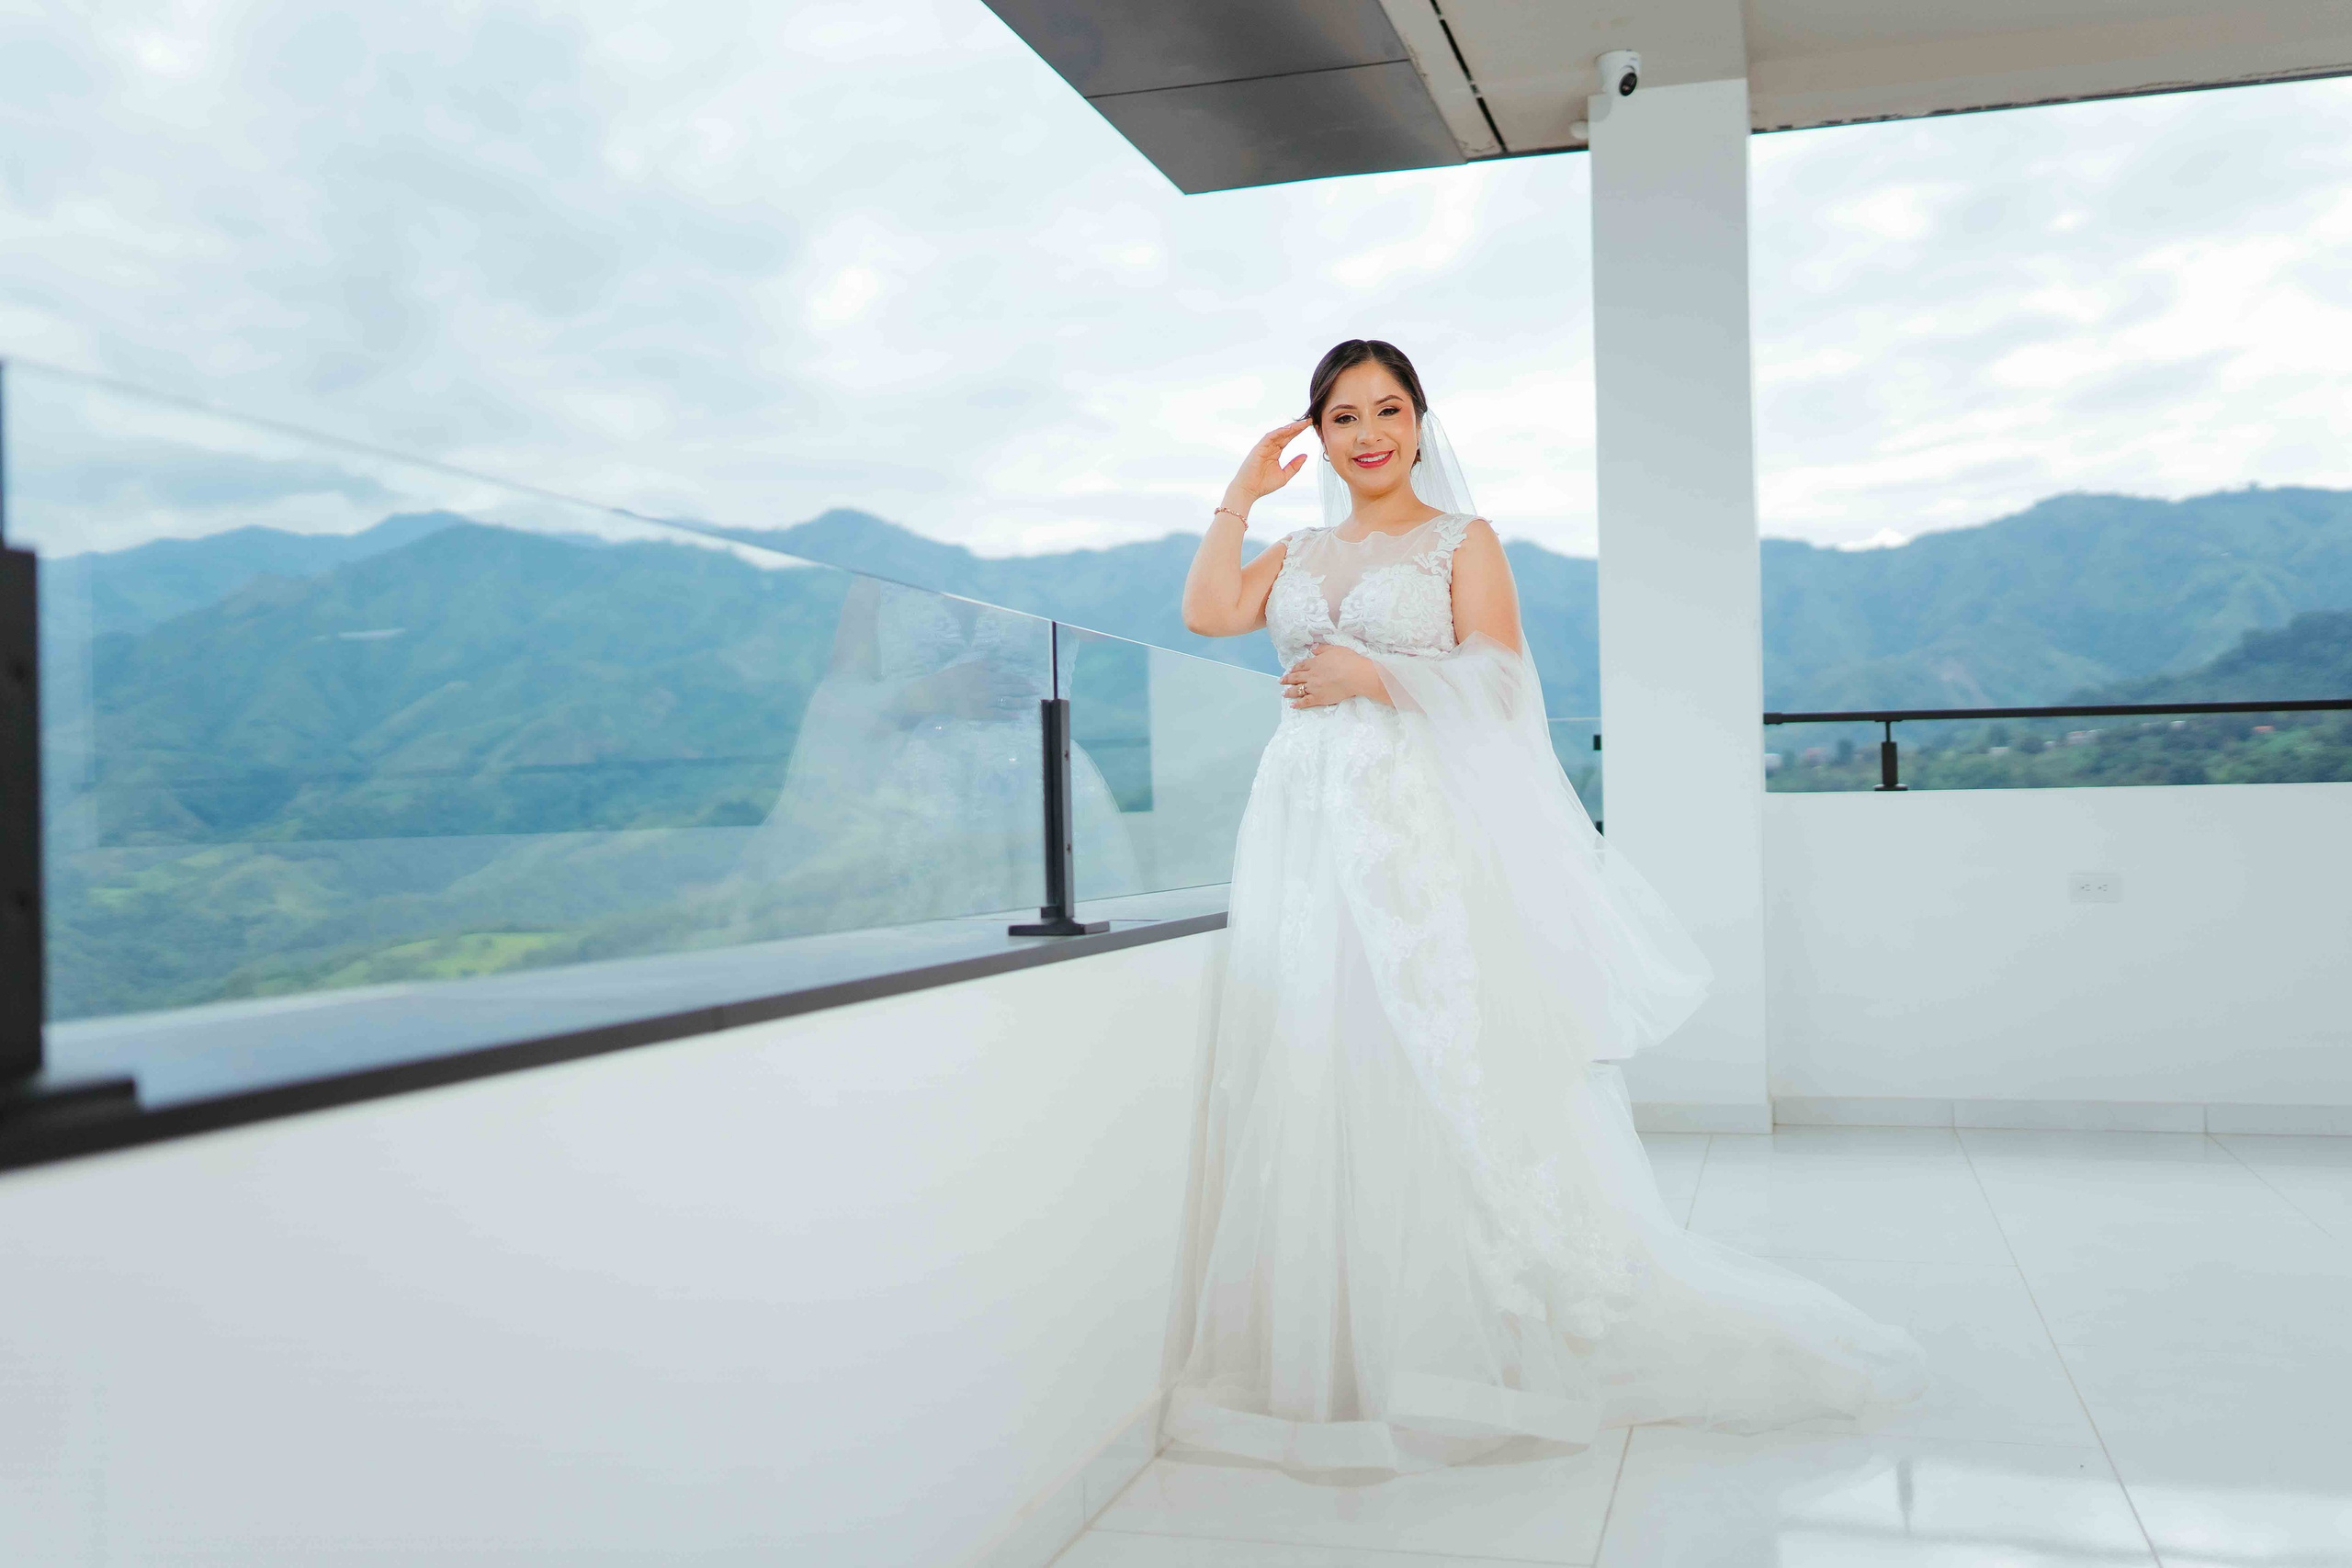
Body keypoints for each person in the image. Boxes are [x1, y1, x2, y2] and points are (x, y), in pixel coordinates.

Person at [1167, 338, 1926, 1475]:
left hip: (1414, 834)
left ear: (1420, 420)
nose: (1368, 434)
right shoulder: (1299, 546)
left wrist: (1374, 676)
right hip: (1306, 830)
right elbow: (1208, 613)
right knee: (1328, 1057)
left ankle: (1482, 1325)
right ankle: (1348, 1330)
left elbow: (1505, 682)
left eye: (1386, 409)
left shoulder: (1460, 542)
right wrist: (1239, 490)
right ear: (1313, 435)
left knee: (1438, 1056)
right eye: (1341, 417)